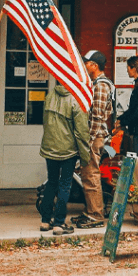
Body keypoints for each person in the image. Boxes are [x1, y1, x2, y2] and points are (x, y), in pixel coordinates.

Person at [39, 79, 91, 235]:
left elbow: (45, 121)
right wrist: (85, 156)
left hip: (50, 146)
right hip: (68, 149)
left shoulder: (49, 96)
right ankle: (59, 223)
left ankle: (45, 221)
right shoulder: (76, 100)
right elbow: (81, 132)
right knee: (65, 185)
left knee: (52, 182)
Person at [73, 50, 114, 229]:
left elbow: (97, 116)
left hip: (94, 136)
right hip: (96, 135)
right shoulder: (98, 84)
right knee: (88, 174)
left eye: (86, 63)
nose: (84, 66)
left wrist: (87, 141)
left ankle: (95, 214)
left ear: (94, 66)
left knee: (91, 175)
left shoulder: (100, 85)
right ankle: (90, 210)